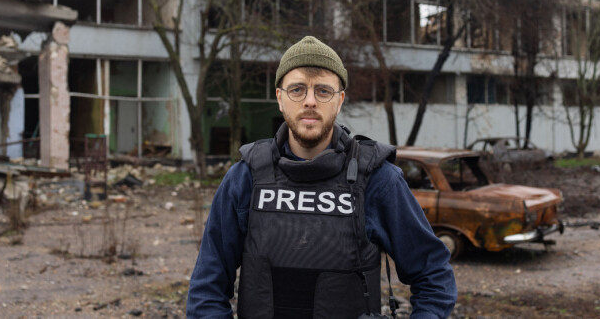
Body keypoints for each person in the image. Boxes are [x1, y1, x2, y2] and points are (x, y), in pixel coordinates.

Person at [187, 36, 457, 318]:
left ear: (339, 101)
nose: (310, 101)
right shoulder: (246, 178)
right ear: (280, 98)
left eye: (323, 91)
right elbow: (207, 289)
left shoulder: (378, 180)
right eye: (297, 89)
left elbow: (434, 276)